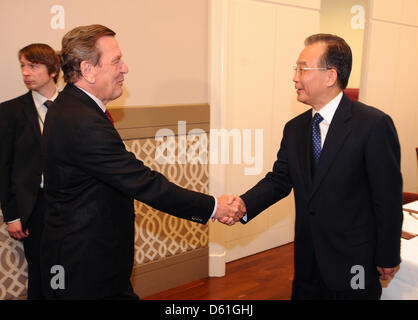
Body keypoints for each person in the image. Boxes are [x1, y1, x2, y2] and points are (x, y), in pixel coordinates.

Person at [40, 24, 243, 300]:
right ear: (88, 70)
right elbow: (144, 183)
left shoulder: (71, 107)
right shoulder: (82, 120)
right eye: (116, 61)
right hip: (85, 263)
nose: (125, 68)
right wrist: (214, 207)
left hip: (88, 255)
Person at [228, 34, 403, 300]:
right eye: (295, 70)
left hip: (354, 261)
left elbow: (387, 198)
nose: (295, 77)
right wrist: (242, 204)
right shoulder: (295, 128)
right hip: (308, 261)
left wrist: (388, 253)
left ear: (330, 76)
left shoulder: (372, 125)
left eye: (302, 69)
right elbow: (279, 180)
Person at [0, 43, 60, 299]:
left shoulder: (73, 108)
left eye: (33, 66)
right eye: (23, 66)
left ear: (53, 71)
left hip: (71, 202)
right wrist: (12, 214)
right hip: (35, 206)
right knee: (40, 270)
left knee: (72, 266)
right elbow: (4, 167)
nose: (26, 72)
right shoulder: (9, 111)